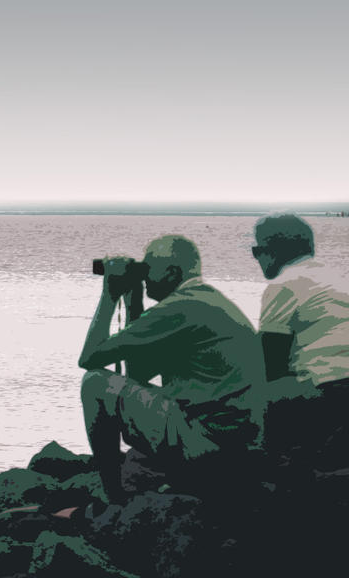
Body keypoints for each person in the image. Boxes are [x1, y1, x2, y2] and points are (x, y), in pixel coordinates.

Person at [78, 235, 264, 503]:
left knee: (94, 382)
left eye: (148, 269)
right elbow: (138, 375)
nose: (144, 277)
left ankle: (114, 499)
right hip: (238, 447)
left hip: (209, 446)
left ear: (172, 272)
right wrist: (133, 302)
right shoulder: (205, 301)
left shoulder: (179, 308)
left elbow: (89, 358)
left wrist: (109, 295)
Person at [253, 213, 349, 466]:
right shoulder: (340, 279)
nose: (256, 258)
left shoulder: (284, 284)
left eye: (256, 250)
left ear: (271, 251)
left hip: (329, 393)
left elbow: (268, 366)